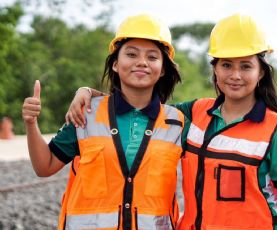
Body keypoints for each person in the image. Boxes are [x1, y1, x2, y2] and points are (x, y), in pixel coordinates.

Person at [66, 13, 277, 230]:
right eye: (226, 65)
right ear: (215, 69)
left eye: (246, 66)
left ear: (261, 72)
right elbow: (140, 105)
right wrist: (89, 93)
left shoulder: (275, 131)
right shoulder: (192, 114)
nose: (235, 75)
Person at [22, 14, 185, 230]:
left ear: (163, 69)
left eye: (153, 57)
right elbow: (45, 166)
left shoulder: (178, 122)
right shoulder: (86, 114)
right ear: (116, 64)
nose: (142, 62)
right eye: (131, 54)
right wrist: (31, 124)